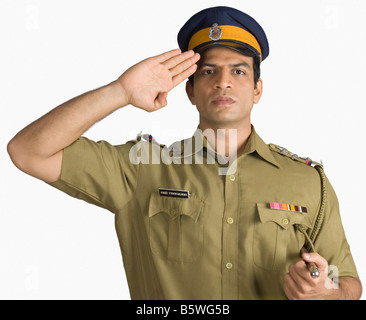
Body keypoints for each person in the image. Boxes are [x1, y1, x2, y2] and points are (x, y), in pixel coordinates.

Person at [7, 6, 362, 300]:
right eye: (209, 71)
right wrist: (119, 92)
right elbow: (28, 151)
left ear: (257, 89)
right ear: (190, 91)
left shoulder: (307, 181)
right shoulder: (142, 170)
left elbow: (348, 283)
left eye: (238, 71)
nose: (223, 81)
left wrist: (326, 293)